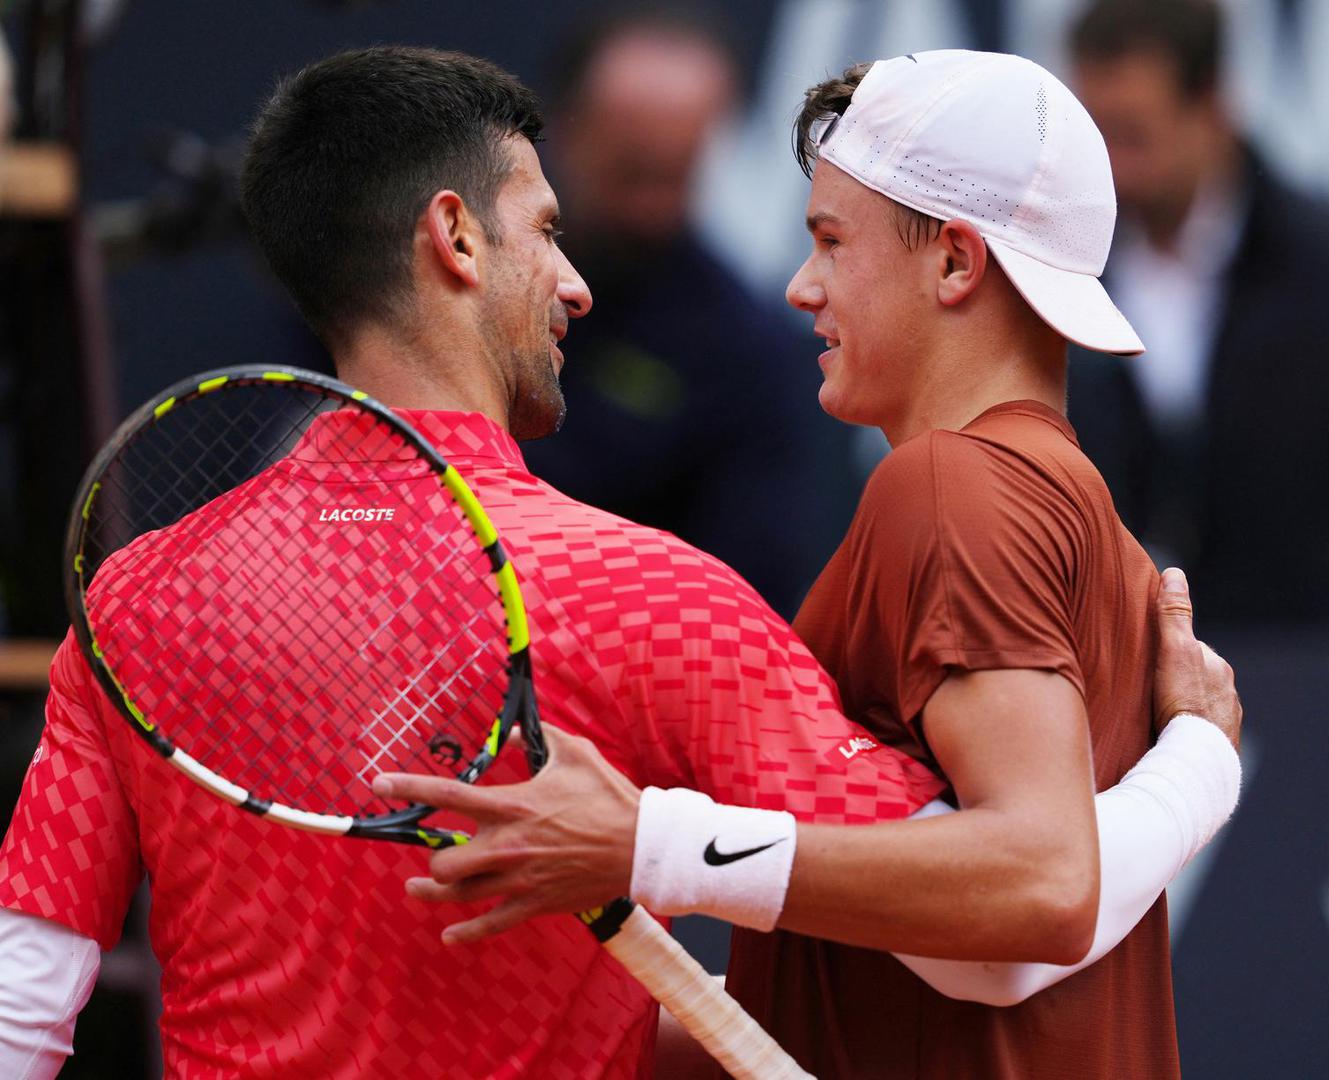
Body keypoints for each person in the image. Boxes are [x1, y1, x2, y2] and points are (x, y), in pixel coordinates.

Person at [0, 47, 1237, 1080]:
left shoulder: (137, 601)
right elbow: (1000, 939)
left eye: (830, 240)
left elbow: (21, 1009)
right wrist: (1201, 767)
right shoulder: (657, 601)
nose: (582, 284)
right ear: (455, 241)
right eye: (548, 231)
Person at [375, 51, 1242, 1078]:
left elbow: (1039, 889)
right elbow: (896, 986)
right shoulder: (1078, 511)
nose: (800, 288)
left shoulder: (949, 487)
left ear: (957, 264)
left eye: (832, 242)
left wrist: (650, 846)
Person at [1065, 0, 1329, 623]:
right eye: (1094, 136)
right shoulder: (1057, 284)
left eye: (1134, 136)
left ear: (1213, 108)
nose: (1112, 168)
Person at [521, 8, 856, 617]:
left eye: (676, 176)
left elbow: (749, 600)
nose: (650, 209)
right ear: (564, 130)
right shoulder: (453, 287)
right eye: (632, 172)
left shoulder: (750, 352)